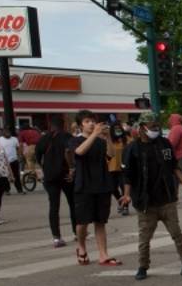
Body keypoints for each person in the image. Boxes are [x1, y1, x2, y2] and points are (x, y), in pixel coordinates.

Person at [122, 111, 182, 280]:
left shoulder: (164, 144)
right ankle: (143, 266)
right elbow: (127, 175)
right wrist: (126, 195)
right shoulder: (132, 149)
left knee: (176, 234)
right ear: (142, 128)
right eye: (152, 126)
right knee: (144, 238)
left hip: (167, 199)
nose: (155, 129)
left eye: (157, 126)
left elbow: (173, 166)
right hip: (146, 203)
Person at [70, 110, 121, 266]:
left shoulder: (100, 141)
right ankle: (81, 247)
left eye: (93, 121)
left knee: (100, 221)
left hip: (102, 185)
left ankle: (103, 254)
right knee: (82, 222)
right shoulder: (76, 140)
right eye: (87, 121)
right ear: (80, 125)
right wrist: (94, 135)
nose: (91, 124)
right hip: (84, 186)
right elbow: (80, 152)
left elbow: (111, 154)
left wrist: (108, 137)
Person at [35, 117, 75, 246]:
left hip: (50, 177)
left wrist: (45, 169)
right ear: (64, 125)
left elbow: (38, 157)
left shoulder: (43, 139)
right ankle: (77, 232)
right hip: (66, 175)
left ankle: (56, 237)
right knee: (73, 204)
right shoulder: (68, 137)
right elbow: (69, 152)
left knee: (54, 206)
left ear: (50, 126)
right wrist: (72, 169)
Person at [107, 120, 130, 216]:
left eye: (119, 128)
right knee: (112, 188)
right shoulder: (109, 140)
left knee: (124, 188)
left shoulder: (127, 139)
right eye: (115, 128)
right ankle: (120, 201)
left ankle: (125, 207)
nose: (117, 130)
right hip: (111, 168)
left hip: (123, 168)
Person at [0, 127, 23, 194]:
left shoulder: (14, 139)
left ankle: (19, 189)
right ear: (3, 132)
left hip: (14, 160)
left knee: (16, 175)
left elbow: (18, 148)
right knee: (5, 176)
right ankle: (7, 190)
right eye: (6, 132)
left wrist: (19, 156)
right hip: (4, 161)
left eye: (9, 132)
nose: (8, 133)